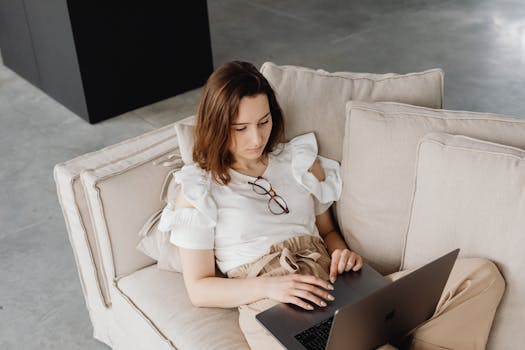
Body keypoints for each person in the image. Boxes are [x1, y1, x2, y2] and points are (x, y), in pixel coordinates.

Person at [158, 61, 505, 350]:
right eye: (240, 128)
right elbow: (199, 287)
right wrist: (269, 287)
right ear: (218, 126)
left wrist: (343, 253)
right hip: (272, 303)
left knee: (481, 276)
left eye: (263, 122)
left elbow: (326, 231)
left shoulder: (297, 161)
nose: (256, 138)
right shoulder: (198, 187)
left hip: (335, 286)